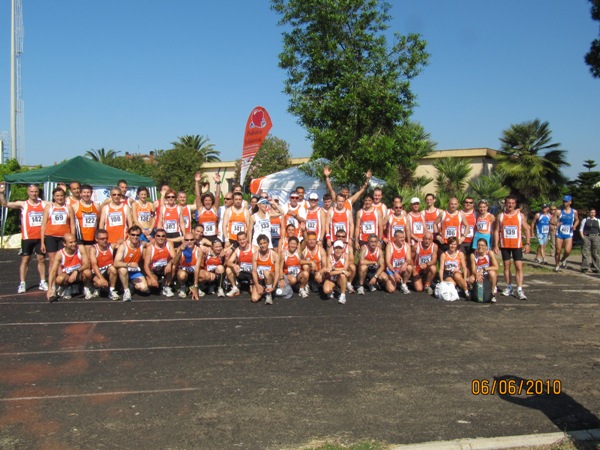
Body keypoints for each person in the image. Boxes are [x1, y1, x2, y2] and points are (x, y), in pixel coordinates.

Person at [0, 182, 49, 293]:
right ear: (28, 192)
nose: (34, 193)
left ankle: (42, 281)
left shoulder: (44, 204)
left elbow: (58, 204)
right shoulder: (23, 204)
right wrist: (1, 194)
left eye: (36, 191)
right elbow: (5, 204)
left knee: (41, 259)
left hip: (40, 237)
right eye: (32, 192)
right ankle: (22, 283)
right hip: (27, 237)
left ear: (38, 192)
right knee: (25, 260)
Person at [493, 195, 531, 300]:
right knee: (506, 266)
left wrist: (527, 243)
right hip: (505, 245)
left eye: (512, 203)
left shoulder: (520, 215)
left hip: (517, 245)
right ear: (505, 204)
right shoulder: (500, 216)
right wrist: (496, 245)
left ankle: (519, 289)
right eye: (508, 203)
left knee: (518, 267)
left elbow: (527, 229)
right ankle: (509, 287)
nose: (510, 205)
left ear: (515, 204)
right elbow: (496, 230)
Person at [47, 233, 92, 302]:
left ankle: (85, 287)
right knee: (59, 279)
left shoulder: (80, 248)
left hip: (78, 273)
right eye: (71, 242)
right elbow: (53, 271)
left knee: (88, 272)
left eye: (75, 241)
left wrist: (76, 271)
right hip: (67, 275)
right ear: (64, 244)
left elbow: (86, 264)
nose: (74, 244)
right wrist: (50, 288)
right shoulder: (60, 254)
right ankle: (66, 287)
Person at [41, 187, 76, 273]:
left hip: (64, 238)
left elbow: (72, 224)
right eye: (57, 196)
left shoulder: (68, 207)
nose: (59, 198)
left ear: (64, 196)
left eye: (61, 196)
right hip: (51, 237)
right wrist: (42, 242)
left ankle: (62, 281)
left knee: (63, 260)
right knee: (52, 261)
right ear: (53, 196)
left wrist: (73, 238)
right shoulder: (49, 207)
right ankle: (52, 283)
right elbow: (43, 225)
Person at [113, 225, 150, 301]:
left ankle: (130, 284)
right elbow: (116, 263)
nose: (135, 237)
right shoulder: (123, 246)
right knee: (123, 270)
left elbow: (150, 244)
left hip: (134, 271)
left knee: (144, 288)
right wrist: (128, 264)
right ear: (129, 235)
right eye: (133, 235)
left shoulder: (141, 244)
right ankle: (126, 291)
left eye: (137, 235)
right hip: (123, 270)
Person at [143, 228, 175, 297]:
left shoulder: (168, 244)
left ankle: (166, 286)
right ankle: (158, 282)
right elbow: (146, 266)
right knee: (151, 283)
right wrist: (151, 278)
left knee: (173, 266)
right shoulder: (150, 248)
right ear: (155, 237)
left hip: (164, 268)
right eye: (158, 236)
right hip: (154, 270)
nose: (161, 238)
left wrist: (169, 264)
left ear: (165, 237)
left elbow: (174, 258)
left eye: (163, 236)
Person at [551, 195, 579, 271]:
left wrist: (575, 226)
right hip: (559, 233)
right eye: (564, 201)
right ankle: (557, 265)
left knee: (567, 251)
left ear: (570, 202)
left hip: (568, 233)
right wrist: (556, 224)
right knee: (558, 250)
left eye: (566, 201)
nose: (564, 203)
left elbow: (577, 220)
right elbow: (552, 221)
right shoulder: (559, 211)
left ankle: (563, 259)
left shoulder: (574, 211)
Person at [88, 229, 119, 300]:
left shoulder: (111, 246)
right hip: (97, 272)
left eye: (106, 238)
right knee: (99, 283)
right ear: (96, 239)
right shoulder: (93, 249)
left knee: (113, 268)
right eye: (102, 239)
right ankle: (96, 288)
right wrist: (102, 279)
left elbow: (124, 244)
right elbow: (94, 265)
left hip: (107, 271)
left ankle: (112, 290)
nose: (105, 240)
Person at [172, 232, 203, 300]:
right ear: (184, 240)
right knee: (182, 275)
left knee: (205, 275)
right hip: (184, 272)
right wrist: (180, 251)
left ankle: (196, 286)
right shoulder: (180, 248)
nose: (189, 242)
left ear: (194, 240)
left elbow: (197, 268)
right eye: (187, 240)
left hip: (193, 272)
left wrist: (195, 286)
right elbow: (175, 263)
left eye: (191, 240)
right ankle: (183, 286)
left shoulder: (198, 250)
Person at [469, 238, 499, 303]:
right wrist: (477, 275)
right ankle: (475, 291)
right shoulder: (473, 255)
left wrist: (484, 269)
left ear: (486, 247)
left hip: (487, 273)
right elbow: (473, 269)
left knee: (493, 273)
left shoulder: (489, 253)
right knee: (471, 279)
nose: (480, 247)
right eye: (479, 245)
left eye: (482, 245)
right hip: (478, 273)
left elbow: (496, 267)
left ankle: (492, 293)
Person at [251, 234, 279, 304]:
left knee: (266, 272)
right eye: (261, 244)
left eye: (264, 243)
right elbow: (254, 271)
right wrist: (257, 285)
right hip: (261, 280)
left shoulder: (274, 255)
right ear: (258, 245)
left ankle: (269, 295)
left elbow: (277, 272)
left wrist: (274, 287)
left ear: (268, 243)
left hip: (270, 279)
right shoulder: (255, 255)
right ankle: (264, 291)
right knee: (254, 299)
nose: (263, 245)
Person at [225, 231, 254, 297]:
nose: (242, 241)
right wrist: (234, 265)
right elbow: (228, 262)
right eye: (240, 240)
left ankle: (253, 286)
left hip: (252, 274)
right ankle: (235, 287)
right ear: (237, 241)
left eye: (243, 239)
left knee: (254, 294)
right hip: (241, 272)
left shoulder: (254, 248)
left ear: (247, 239)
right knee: (228, 269)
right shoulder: (237, 250)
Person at [384, 229, 413, 294]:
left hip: (401, 269)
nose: (403, 239)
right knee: (391, 290)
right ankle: (386, 282)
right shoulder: (390, 246)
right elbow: (387, 262)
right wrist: (394, 272)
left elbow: (409, 259)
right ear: (395, 238)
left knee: (409, 267)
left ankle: (404, 284)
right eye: (400, 238)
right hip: (392, 270)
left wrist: (405, 264)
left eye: (403, 237)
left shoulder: (407, 245)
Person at [300, 231, 328, 296]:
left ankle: (315, 283)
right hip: (308, 272)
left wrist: (319, 273)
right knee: (305, 266)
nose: (312, 241)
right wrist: (310, 262)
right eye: (310, 240)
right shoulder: (304, 249)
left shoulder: (321, 250)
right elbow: (299, 261)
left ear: (316, 240)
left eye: (313, 240)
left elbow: (325, 266)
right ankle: (306, 283)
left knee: (320, 278)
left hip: (317, 271)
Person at [323, 240, 350, 304]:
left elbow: (345, 269)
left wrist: (334, 268)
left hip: (339, 279)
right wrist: (342, 270)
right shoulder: (329, 257)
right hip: (331, 278)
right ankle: (333, 288)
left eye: (340, 248)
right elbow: (330, 272)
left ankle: (343, 295)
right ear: (333, 249)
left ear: (342, 249)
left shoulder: (346, 256)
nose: (338, 250)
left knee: (343, 275)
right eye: (336, 248)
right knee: (326, 290)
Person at [73, 184, 99, 249]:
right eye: (84, 192)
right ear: (81, 194)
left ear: (91, 193)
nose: (86, 194)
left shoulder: (97, 206)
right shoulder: (74, 206)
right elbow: (71, 223)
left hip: (93, 237)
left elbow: (98, 220)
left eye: (88, 192)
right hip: (80, 238)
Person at [580, 208, 600, 273]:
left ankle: (596, 267)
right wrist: (583, 237)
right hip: (587, 236)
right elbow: (581, 229)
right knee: (585, 252)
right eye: (591, 212)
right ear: (589, 213)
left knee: (595, 252)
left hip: (596, 236)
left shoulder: (598, 220)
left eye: (594, 212)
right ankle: (584, 267)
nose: (592, 214)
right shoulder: (585, 220)